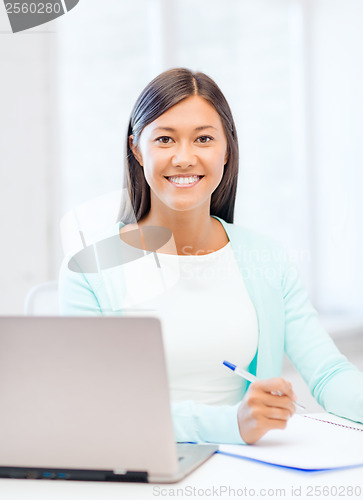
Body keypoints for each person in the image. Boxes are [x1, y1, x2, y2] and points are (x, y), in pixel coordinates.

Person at [59, 67, 363, 445]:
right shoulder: (89, 269)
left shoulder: (263, 257)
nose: (184, 158)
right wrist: (231, 424)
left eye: (203, 138)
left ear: (226, 150)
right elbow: (94, 404)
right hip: (139, 468)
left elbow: (329, 373)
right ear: (136, 148)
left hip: (246, 470)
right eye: (165, 139)